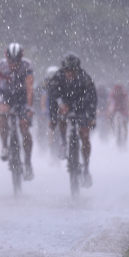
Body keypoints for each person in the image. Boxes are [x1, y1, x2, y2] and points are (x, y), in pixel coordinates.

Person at [48, 52, 97, 186]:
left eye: (73, 70)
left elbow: (92, 98)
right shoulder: (57, 77)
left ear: (78, 69)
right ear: (63, 69)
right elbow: (52, 97)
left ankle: (86, 169)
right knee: (62, 115)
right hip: (64, 104)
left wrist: (91, 117)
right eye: (67, 70)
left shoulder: (84, 77)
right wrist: (53, 118)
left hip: (81, 106)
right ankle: (64, 142)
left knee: (84, 135)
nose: (69, 73)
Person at [0, 43, 35, 180]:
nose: (13, 64)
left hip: (21, 97)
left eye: (16, 61)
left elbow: (29, 88)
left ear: (21, 58)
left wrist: (29, 107)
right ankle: (4, 145)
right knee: (3, 111)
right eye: (11, 60)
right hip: (7, 96)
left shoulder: (27, 65)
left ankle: (27, 162)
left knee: (23, 126)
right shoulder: (0, 66)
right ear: (6, 57)